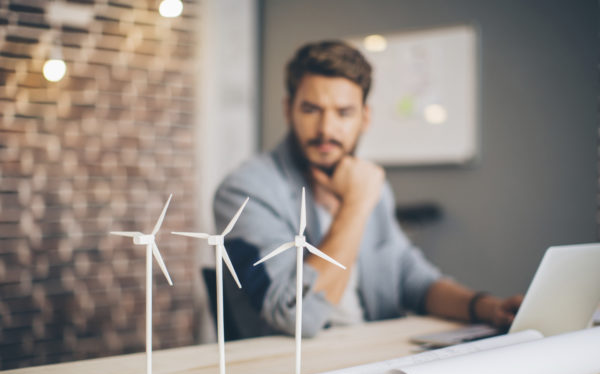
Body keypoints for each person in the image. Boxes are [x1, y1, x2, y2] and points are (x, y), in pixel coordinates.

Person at [213, 40, 522, 338]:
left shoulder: (367, 182)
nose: (326, 129)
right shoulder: (245, 191)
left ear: (365, 117)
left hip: (370, 358)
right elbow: (297, 315)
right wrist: (356, 205)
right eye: (311, 109)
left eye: (344, 113)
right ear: (288, 110)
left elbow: (412, 278)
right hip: (288, 373)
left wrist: (487, 308)